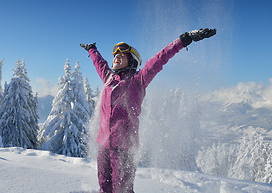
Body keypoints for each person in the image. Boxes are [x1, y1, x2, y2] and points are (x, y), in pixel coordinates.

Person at [80, 28, 216, 193]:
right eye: (115, 55)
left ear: (132, 61)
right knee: (104, 187)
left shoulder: (138, 81)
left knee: (122, 190)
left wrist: (184, 39)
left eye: (121, 55)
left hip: (124, 149)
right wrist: (92, 49)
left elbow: (160, 58)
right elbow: (99, 62)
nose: (116, 57)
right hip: (103, 145)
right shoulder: (108, 78)